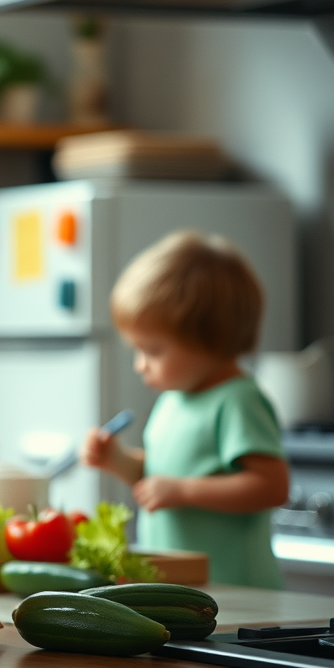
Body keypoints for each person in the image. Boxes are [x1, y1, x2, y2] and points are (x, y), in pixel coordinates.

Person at [81, 231, 289, 589]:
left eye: (153, 351)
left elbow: (271, 486)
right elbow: (162, 474)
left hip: (237, 591)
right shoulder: (173, 400)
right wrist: (118, 460)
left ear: (214, 339)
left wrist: (183, 491)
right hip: (183, 590)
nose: (140, 365)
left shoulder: (237, 400)